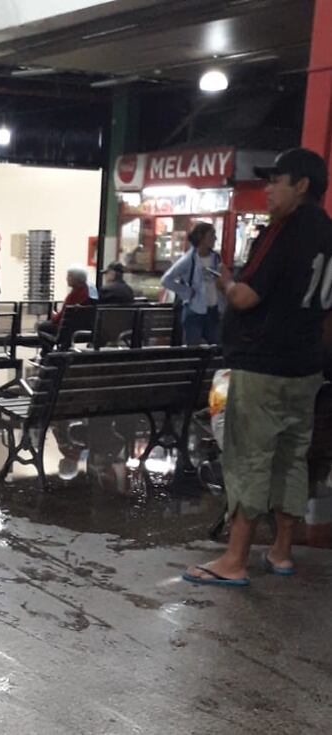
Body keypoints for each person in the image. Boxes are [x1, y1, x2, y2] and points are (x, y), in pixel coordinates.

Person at [183, 147, 332, 586]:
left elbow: (247, 297)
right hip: (306, 369)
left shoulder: (283, 232)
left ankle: (233, 560)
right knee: (291, 457)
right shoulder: (328, 233)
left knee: (248, 457)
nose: (266, 191)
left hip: (263, 365)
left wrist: (226, 281)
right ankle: (282, 551)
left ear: (301, 186)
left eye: (275, 182)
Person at [161, 222, 223, 344]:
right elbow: (166, 280)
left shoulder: (216, 257)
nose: (215, 238)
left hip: (213, 309)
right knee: (193, 349)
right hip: (195, 310)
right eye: (211, 235)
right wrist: (187, 292)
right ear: (201, 238)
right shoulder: (188, 260)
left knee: (216, 347)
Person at [37, 265, 92, 348]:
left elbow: (61, 317)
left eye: (69, 276)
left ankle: (47, 353)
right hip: (83, 328)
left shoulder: (74, 295)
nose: (67, 278)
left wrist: (54, 316)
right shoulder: (88, 292)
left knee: (41, 326)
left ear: (77, 278)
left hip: (67, 330)